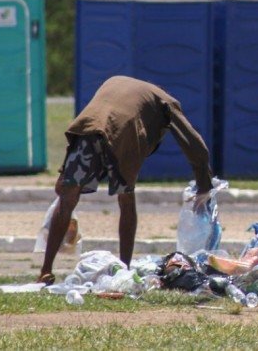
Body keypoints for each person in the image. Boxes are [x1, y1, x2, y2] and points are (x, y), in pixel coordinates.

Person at [37, 76, 212, 285]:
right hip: (124, 136)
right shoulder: (165, 101)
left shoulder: (115, 80)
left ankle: (45, 271)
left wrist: (65, 180)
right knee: (126, 200)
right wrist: (204, 186)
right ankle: (124, 269)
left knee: (67, 198)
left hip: (87, 129)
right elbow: (194, 144)